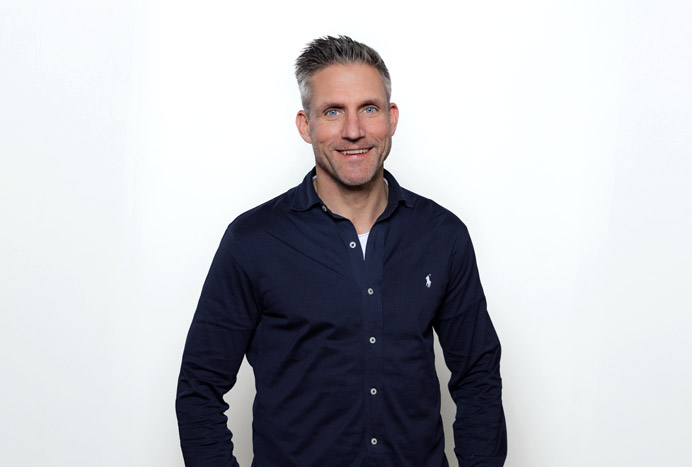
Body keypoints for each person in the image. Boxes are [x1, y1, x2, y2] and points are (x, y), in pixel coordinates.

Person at [176, 35, 507, 467]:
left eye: (368, 109)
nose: (353, 130)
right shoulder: (253, 241)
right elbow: (200, 388)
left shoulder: (442, 236)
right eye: (333, 111)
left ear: (391, 118)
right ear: (305, 125)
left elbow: (478, 376)